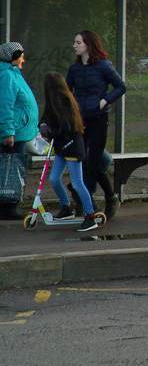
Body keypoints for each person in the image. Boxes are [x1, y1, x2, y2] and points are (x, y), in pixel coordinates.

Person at [67, 30, 126, 218]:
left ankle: (111, 197)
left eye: (78, 42)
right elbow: (66, 91)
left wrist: (105, 100)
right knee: (80, 162)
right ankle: (84, 202)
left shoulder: (103, 66)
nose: (74, 46)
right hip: (80, 120)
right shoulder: (74, 69)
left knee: (93, 164)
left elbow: (121, 86)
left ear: (88, 45)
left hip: (99, 119)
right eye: (75, 42)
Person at [40, 72, 100, 232]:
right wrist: (43, 125)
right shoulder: (53, 101)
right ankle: (66, 207)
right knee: (54, 178)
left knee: (77, 183)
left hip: (72, 146)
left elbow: (66, 126)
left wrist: (50, 131)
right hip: (62, 147)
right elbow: (47, 117)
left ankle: (90, 216)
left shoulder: (65, 101)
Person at [0, 42, 37, 220]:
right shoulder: (7, 75)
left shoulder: (12, 73)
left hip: (18, 132)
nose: (24, 58)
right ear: (14, 57)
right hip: (13, 133)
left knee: (12, 167)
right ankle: (8, 206)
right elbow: (5, 104)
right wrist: (8, 132)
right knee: (11, 168)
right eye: (22, 55)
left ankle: (9, 205)